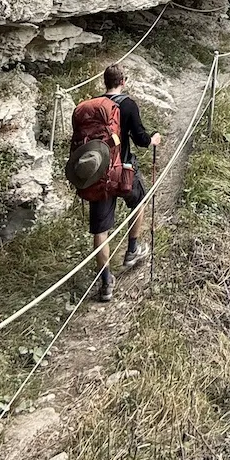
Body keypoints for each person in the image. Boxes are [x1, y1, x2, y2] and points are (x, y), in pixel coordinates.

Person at [89, 62, 162, 303]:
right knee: (139, 201)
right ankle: (132, 250)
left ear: (105, 82)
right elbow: (140, 139)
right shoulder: (128, 104)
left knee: (101, 230)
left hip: (97, 172)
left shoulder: (94, 106)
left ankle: (106, 283)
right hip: (123, 170)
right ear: (123, 81)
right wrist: (153, 139)